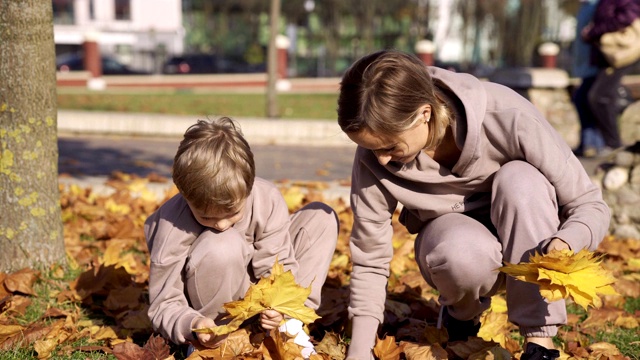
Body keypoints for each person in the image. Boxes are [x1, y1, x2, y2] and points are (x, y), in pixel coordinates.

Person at [336, 50, 610, 360]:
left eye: (390, 146)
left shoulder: (507, 115)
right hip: (454, 249)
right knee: (460, 251)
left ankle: (539, 342)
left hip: (532, 238)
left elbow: (589, 204)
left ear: (424, 113)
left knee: (520, 179)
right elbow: (370, 256)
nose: (381, 159)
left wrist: (566, 241)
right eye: (371, 149)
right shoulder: (373, 156)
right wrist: (359, 350)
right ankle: (462, 316)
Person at [144, 117, 338, 354]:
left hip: (258, 304)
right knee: (222, 243)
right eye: (206, 217)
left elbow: (277, 263)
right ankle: (213, 343)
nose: (222, 224)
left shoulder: (265, 198)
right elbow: (164, 303)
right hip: (211, 318)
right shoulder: (171, 224)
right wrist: (192, 324)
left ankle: (289, 328)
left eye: (233, 212)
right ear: (184, 195)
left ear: (248, 187)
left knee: (321, 218)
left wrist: (279, 307)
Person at [582, 0, 640, 153]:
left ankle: (613, 144)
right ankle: (594, 143)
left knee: (599, 96)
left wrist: (594, 31)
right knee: (584, 96)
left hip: (622, 53)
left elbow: (628, 16)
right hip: (607, 55)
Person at [571, 0, 605, 158]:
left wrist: (591, 33)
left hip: (596, 62)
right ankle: (588, 142)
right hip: (586, 65)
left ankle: (594, 143)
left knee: (587, 99)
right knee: (582, 99)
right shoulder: (585, 6)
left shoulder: (596, 5)